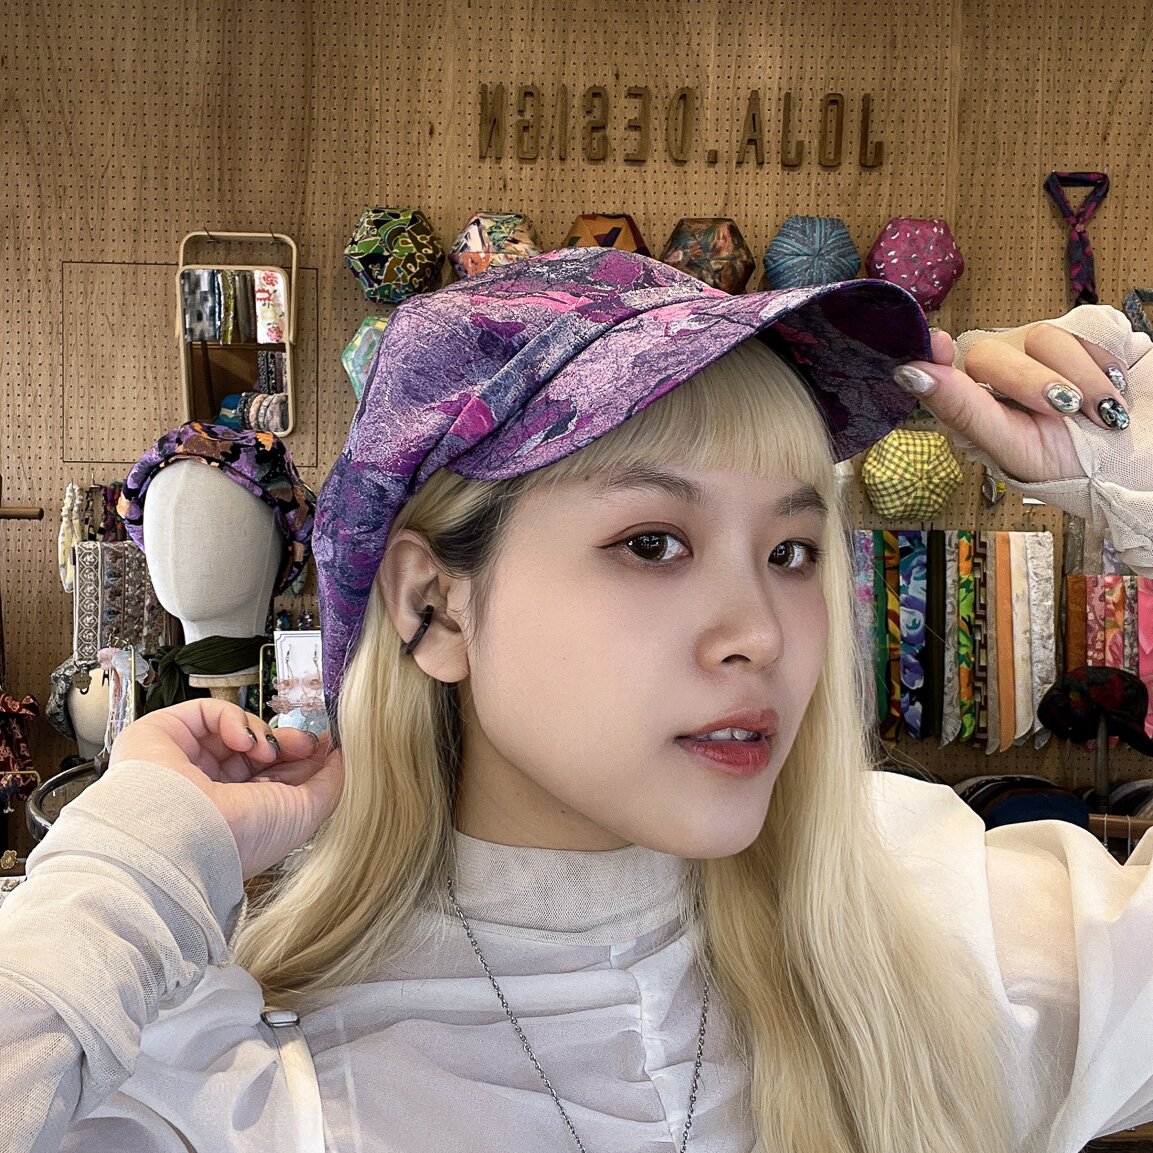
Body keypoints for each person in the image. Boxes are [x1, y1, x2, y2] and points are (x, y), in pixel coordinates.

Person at [2, 247, 1152, 1153]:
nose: (759, 632)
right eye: (652, 542)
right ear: (435, 607)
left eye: (792, 551)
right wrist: (126, 866)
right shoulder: (251, 1090)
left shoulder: (936, 935)